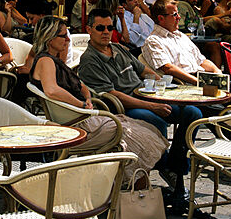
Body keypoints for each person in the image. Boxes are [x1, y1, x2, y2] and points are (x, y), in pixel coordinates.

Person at [77, 8, 203, 206]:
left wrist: (163, 83)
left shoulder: (118, 48)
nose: (106, 32)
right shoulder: (89, 61)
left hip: (147, 95)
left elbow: (142, 70)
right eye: (100, 28)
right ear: (89, 29)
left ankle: (174, 166)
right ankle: (170, 171)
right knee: (156, 120)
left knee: (193, 113)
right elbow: (113, 94)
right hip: (124, 107)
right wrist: (152, 106)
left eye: (110, 27)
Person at [29, 17, 168, 177]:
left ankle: (134, 182)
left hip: (85, 117)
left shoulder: (55, 60)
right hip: (78, 125)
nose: (68, 39)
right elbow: (52, 90)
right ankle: (136, 183)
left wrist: (87, 98)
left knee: (146, 130)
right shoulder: (46, 61)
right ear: (50, 38)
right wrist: (81, 105)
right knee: (141, 135)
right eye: (63, 36)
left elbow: (82, 86)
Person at [141, 0, 231, 104]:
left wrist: (216, 72)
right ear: (161, 18)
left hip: (204, 78)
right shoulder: (153, 41)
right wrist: (197, 82)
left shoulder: (180, 36)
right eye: (174, 14)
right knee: (225, 106)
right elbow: (168, 68)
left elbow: (201, 60)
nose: (179, 17)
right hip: (185, 85)